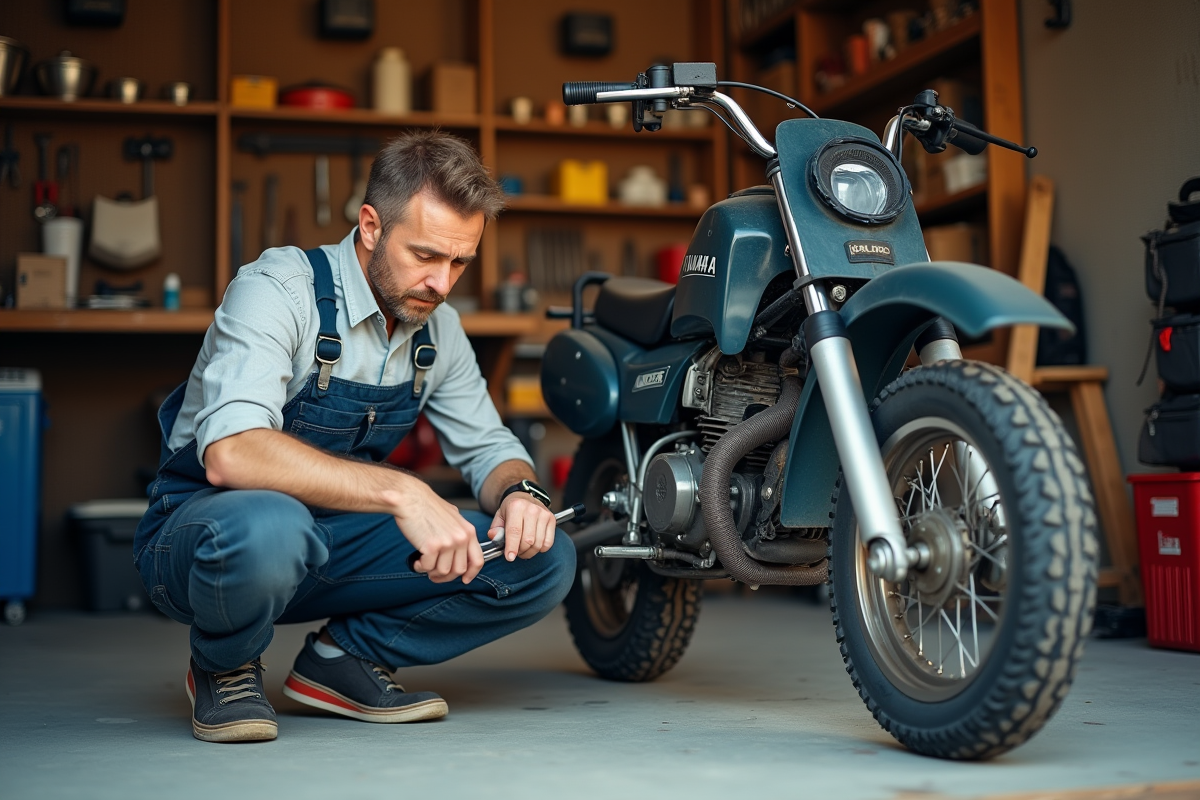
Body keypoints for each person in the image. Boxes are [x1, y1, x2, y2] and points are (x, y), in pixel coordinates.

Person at [134, 130, 575, 744]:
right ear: (370, 225)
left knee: (544, 559)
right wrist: (403, 493)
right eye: (425, 255)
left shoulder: (436, 330)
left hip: (331, 543)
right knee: (270, 526)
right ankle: (224, 662)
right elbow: (231, 452)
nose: (442, 284)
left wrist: (523, 493)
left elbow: (489, 449)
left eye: (459, 262)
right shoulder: (278, 290)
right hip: (209, 540)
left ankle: (342, 663)